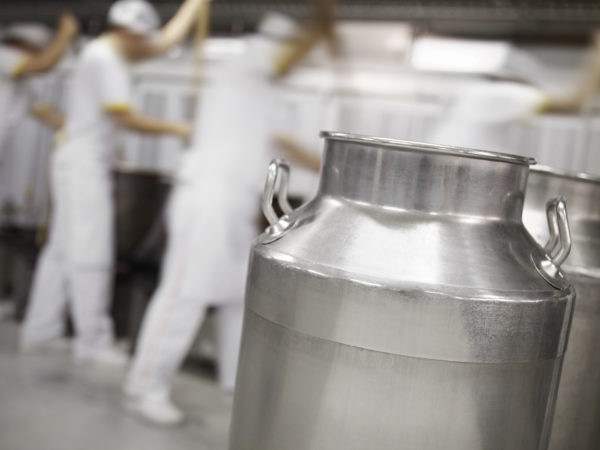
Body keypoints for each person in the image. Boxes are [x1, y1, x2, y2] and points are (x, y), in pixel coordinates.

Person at [123, 12, 303, 426]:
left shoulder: (264, 91)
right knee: (183, 295)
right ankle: (143, 388)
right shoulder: (249, 64)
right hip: (205, 203)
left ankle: (234, 382)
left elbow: (279, 142)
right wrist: (321, 30)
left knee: (238, 296)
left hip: (234, 207)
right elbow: (287, 60)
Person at [20, 0, 207, 365]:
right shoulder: (105, 59)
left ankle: (40, 330)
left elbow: (162, 43)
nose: (146, 47)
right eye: (142, 39)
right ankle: (93, 342)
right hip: (83, 163)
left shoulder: (110, 51)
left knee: (61, 250)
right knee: (91, 252)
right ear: (126, 32)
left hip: (75, 159)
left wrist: (191, 7)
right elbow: (125, 118)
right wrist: (181, 128)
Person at [0, 16, 78, 207]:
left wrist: (88, 129)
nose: (33, 55)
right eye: (34, 51)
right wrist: (66, 31)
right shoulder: (3, 55)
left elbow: (50, 115)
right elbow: (43, 65)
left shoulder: (20, 84)